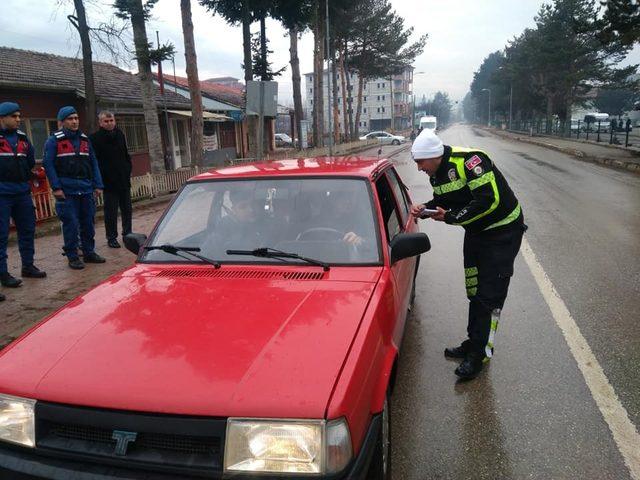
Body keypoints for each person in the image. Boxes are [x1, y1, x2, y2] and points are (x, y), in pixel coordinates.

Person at [410, 129, 527, 380]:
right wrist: (425, 209)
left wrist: (450, 218)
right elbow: (444, 200)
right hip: (477, 233)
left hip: (502, 233)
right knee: (474, 291)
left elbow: (489, 201)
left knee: (489, 297)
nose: (419, 168)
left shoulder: (472, 161)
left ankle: (480, 354)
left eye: (420, 162)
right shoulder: (437, 174)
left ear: (434, 155)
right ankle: (473, 341)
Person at [43, 106, 105, 270]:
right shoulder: (54, 140)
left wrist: (98, 184)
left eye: (76, 118)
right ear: (62, 122)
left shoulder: (85, 140)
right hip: (67, 190)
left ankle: (89, 252)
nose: (75, 121)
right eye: (70, 119)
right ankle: (72, 256)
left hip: (85, 188)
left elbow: (93, 162)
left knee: (88, 222)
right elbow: (48, 165)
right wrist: (56, 187)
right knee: (70, 224)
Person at [0, 102, 46, 300]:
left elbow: (29, 162)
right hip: (2, 193)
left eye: (19, 116)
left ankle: (28, 266)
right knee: (1, 236)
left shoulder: (23, 139)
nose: (19, 120)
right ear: (2, 117)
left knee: (27, 230)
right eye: (15, 116)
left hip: (21, 192)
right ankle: (3, 274)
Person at [90, 111, 132, 248]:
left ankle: (128, 233)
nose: (109, 123)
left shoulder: (120, 134)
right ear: (100, 123)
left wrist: (127, 169)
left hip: (123, 178)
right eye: (106, 121)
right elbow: (94, 161)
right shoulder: (95, 138)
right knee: (111, 212)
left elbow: (125, 154)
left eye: (111, 120)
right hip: (108, 181)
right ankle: (111, 237)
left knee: (127, 209)